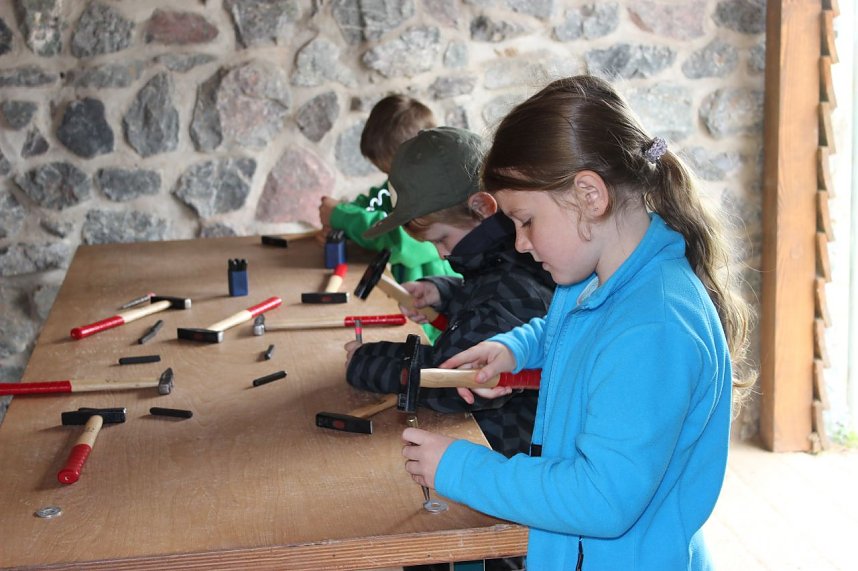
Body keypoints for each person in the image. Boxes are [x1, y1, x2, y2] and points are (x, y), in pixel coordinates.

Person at [400, 76, 754, 570]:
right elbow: (566, 328)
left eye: (526, 221)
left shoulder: (655, 325)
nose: (520, 243)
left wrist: (461, 469)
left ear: (589, 196)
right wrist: (517, 349)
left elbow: (601, 499)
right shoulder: (597, 280)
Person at [345, 126, 555, 571]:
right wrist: (443, 291)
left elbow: (446, 381)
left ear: (482, 208)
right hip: (495, 458)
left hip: (506, 474)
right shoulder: (514, 255)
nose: (441, 252)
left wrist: (366, 362)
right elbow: (488, 293)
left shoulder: (513, 278)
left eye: (442, 240)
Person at [318, 95, 458, 343]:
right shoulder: (395, 186)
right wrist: (340, 224)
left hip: (434, 323)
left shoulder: (437, 201)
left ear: (417, 158)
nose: (390, 180)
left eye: (392, 171)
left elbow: (397, 238)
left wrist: (340, 216)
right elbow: (371, 205)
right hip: (405, 307)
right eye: (385, 172)